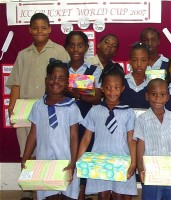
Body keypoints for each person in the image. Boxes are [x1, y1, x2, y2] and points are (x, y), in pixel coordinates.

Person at [6, 13, 69, 199]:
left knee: (48, 148)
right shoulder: (22, 54)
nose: (39, 31)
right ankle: (28, 190)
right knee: (26, 149)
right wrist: (12, 105)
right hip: (25, 110)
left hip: (50, 108)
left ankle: (50, 189)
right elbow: (16, 82)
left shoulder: (59, 51)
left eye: (43, 27)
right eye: (35, 27)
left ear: (50, 29)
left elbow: (67, 80)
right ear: (29, 29)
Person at [21, 59, 82, 200]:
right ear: (46, 80)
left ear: (67, 83)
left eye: (61, 79)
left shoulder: (71, 107)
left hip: (65, 160)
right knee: (49, 194)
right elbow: (33, 135)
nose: (56, 82)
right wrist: (25, 158)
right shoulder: (38, 106)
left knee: (67, 194)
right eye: (52, 77)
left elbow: (74, 137)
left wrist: (73, 162)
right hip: (45, 160)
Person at [77, 63, 137, 200]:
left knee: (119, 195)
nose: (112, 91)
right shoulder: (95, 110)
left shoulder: (128, 112)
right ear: (102, 88)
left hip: (122, 160)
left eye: (116, 88)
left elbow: (131, 139)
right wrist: (79, 160)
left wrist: (133, 163)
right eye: (108, 88)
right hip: (100, 161)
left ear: (122, 89)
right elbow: (86, 138)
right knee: (103, 194)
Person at [64, 30, 102, 200]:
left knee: (84, 153)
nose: (76, 49)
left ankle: (81, 192)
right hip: (64, 121)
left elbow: (96, 98)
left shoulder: (94, 70)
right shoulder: (61, 69)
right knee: (65, 153)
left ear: (87, 47)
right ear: (66, 47)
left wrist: (74, 93)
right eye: (71, 45)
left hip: (86, 120)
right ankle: (64, 190)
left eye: (80, 45)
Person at [134, 78, 171, 200]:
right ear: (147, 96)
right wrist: (140, 167)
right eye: (154, 94)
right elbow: (140, 144)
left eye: (162, 94)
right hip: (151, 172)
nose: (158, 98)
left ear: (167, 97)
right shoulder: (142, 119)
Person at [120, 42, 150, 109]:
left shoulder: (151, 85)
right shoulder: (121, 82)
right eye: (135, 60)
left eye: (143, 60)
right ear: (130, 61)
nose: (139, 64)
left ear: (148, 62)